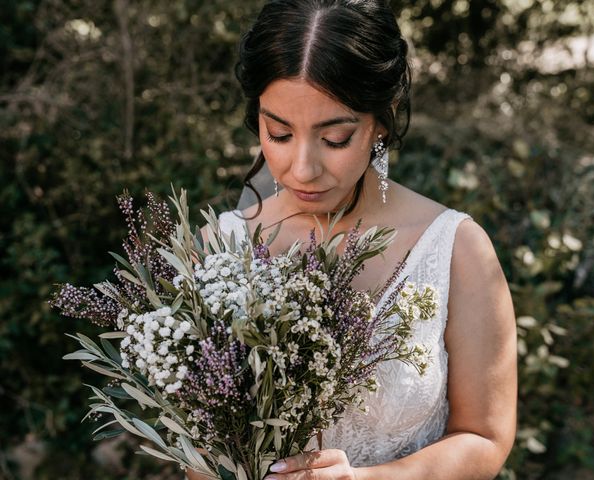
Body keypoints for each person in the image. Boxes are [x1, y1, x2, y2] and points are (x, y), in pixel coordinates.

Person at [190, 1, 517, 479]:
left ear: (381, 121)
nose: (302, 168)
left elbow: (485, 437)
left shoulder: (456, 250)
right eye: (279, 133)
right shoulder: (216, 247)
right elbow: (196, 449)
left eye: (335, 138)